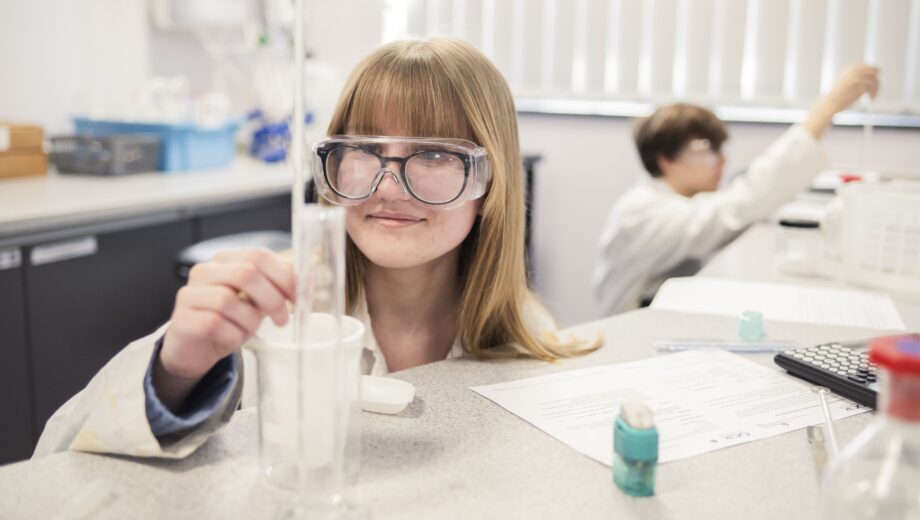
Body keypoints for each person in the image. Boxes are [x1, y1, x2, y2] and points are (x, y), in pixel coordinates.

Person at [33, 38, 600, 459]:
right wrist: (176, 373)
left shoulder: (525, 330)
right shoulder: (265, 312)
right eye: (363, 150)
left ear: (489, 183)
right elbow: (55, 457)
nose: (384, 184)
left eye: (432, 154)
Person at [592, 64, 880, 316]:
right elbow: (737, 207)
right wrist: (827, 107)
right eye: (706, 150)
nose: (721, 160)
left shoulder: (682, 200)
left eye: (720, 149)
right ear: (666, 160)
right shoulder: (642, 213)